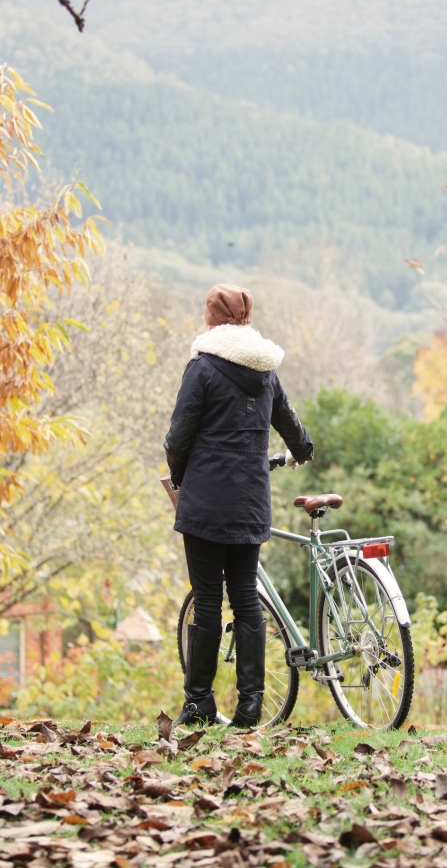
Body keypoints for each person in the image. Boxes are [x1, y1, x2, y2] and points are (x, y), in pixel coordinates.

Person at [164, 284, 313, 727]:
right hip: (251, 502)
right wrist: (303, 449)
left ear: (211, 319)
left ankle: (200, 703)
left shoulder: (203, 367)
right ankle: (251, 705)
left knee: (208, 599)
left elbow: (178, 437)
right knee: (246, 597)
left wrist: (180, 475)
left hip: (206, 502)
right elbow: (290, 424)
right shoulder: (266, 371)